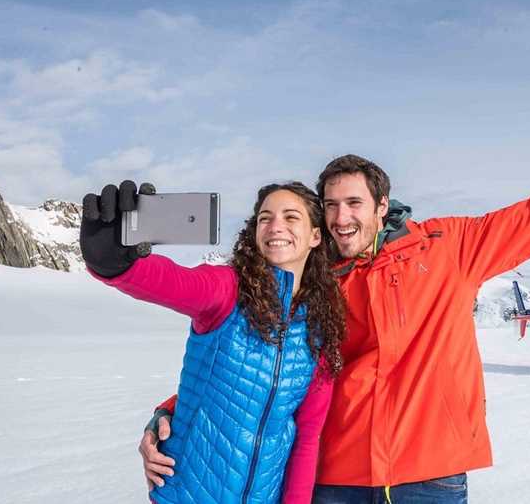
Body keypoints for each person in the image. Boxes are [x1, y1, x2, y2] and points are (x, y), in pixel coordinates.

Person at [140, 117, 530, 503]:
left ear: (382, 206)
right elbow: (256, 360)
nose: (340, 219)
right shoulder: (310, 280)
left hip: (432, 475)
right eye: (329, 207)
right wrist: (173, 413)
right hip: (336, 478)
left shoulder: (448, 248)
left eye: (354, 204)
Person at [81, 181, 346, 504]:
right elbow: (175, 282)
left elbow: (306, 439)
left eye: (291, 217)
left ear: (315, 237)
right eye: (265, 218)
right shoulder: (229, 291)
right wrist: (116, 264)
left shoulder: (319, 330)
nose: (276, 226)